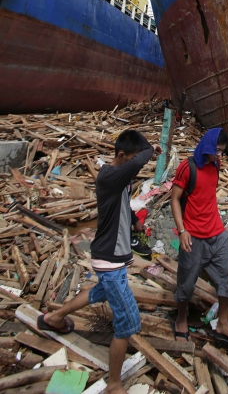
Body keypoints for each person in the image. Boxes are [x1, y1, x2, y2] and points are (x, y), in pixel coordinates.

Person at [38, 129, 160, 394]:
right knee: (127, 323)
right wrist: (151, 150)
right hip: (110, 260)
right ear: (121, 156)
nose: (137, 164)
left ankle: (56, 316)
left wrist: (135, 221)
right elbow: (141, 160)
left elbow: (123, 201)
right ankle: (114, 384)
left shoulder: (118, 178)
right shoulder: (111, 175)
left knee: (99, 292)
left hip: (109, 255)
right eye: (134, 158)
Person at [171, 127, 228, 348]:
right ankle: (181, 319)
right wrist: (182, 230)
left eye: (223, 151)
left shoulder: (216, 164)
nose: (220, 155)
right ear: (207, 146)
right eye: (217, 150)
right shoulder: (188, 168)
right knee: (186, 282)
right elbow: (174, 199)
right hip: (193, 235)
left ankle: (223, 323)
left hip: (217, 232)